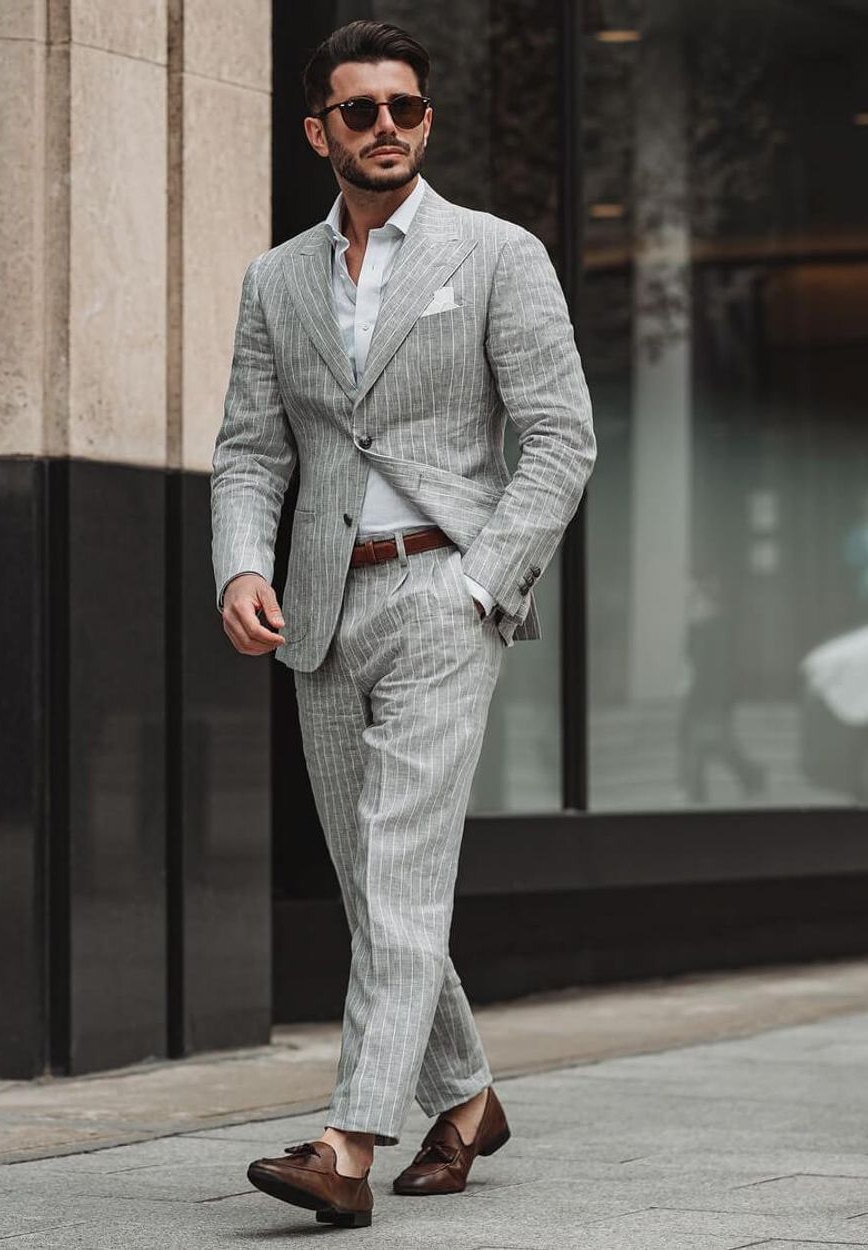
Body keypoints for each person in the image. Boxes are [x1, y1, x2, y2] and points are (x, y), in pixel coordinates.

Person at [210, 19, 596, 1230]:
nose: (388, 125)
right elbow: (249, 450)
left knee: (400, 870)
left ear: (426, 122)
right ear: (319, 130)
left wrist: (485, 580)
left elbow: (562, 437)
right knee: (375, 882)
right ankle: (468, 1096)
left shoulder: (497, 253)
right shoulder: (276, 278)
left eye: (407, 108)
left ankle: (346, 1142)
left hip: (443, 593)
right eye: (362, 109)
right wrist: (236, 568)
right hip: (320, 609)